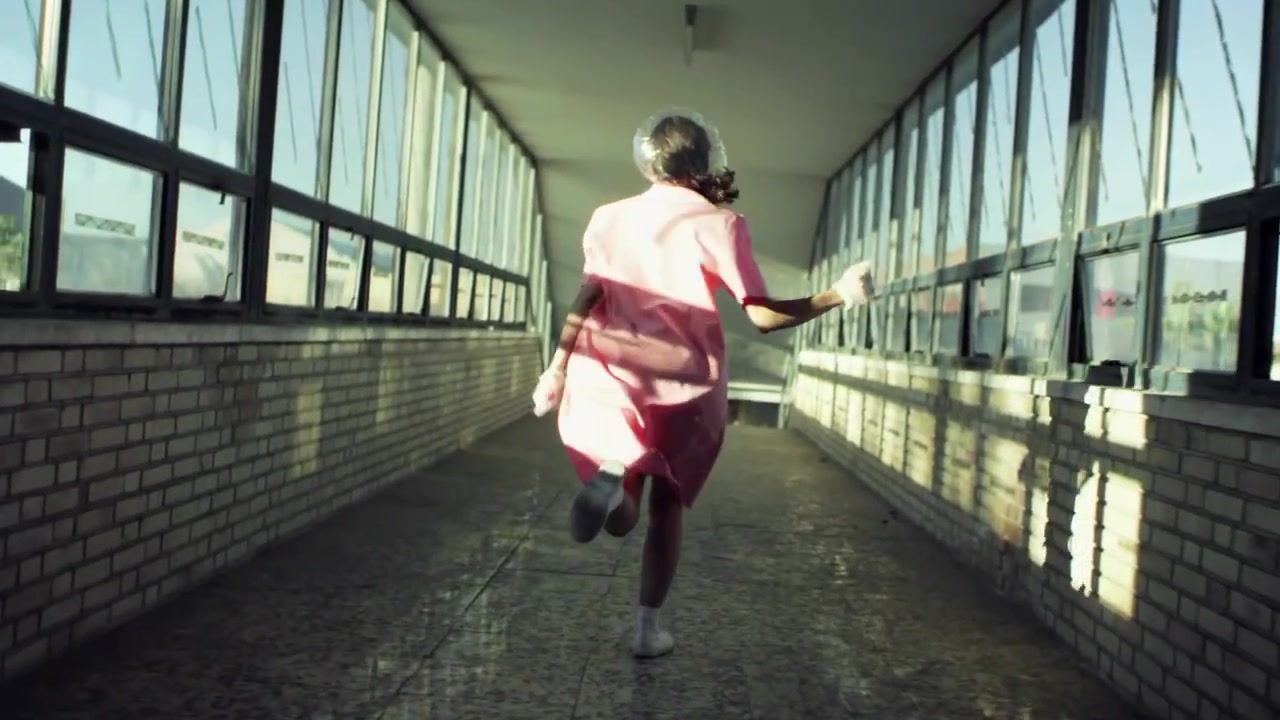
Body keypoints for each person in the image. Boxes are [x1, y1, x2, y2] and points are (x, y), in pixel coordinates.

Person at [530, 109, 875, 659]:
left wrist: (557, 366)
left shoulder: (608, 218)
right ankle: (647, 632)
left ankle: (613, 494)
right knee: (667, 505)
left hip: (610, 369)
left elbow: (587, 297)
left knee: (625, 493)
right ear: (704, 159)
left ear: (649, 162)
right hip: (685, 382)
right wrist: (838, 294)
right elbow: (762, 316)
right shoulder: (722, 224)